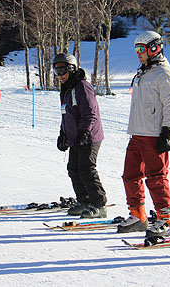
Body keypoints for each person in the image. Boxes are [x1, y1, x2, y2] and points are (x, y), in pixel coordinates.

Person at [116, 31, 170, 239]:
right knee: (130, 175)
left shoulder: (163, 74)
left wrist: (167, 131)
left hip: (153, 134)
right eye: (136, 50)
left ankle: (165, 218)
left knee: (156, 178)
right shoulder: (143, 72)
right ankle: (138, 214)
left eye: (141, 49)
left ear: (154, 49)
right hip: (136, 133)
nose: (138, 54)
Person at [53, 53, 108, 219]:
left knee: (86, 169)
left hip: (89, 136)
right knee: (73, 169)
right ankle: (84, 200)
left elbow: (90, 113)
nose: (60, 76)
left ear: (71, 69)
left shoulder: (82, 86)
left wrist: (84, 133)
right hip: (76, 137)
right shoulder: (67, 88)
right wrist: (63, 134)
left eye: (62, 71)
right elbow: (66, 114)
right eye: (56, 72)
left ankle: (99, 204)